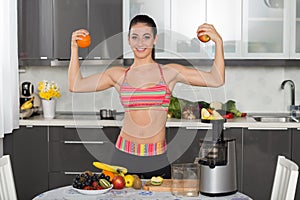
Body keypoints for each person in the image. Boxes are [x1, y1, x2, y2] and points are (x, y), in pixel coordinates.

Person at [68, 15, 224, 178]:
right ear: (129, 40)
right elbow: (76, 85)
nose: (140, 43)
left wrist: (218, 43)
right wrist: (74, 48)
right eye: (135, 37)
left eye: (146, 37)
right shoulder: (118, 75)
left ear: (155, 39)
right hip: (123, 156)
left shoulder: (169, 73)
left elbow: (216, 79)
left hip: (156, 159)